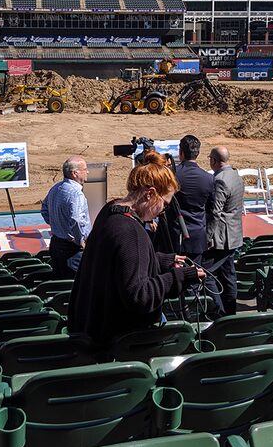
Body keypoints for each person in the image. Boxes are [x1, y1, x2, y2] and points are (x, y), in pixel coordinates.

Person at [68, 157, 204, 345]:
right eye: (164, 204)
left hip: (92, 327)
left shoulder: (110, 210)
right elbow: (139, 296)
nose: (163, 211)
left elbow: (123, 263)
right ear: (150, 194)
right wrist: (179, 277)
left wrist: (162, 261)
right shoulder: (130, 230)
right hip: (119, 343)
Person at [205, 146, 244, 316]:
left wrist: (208, 237)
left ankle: (219, 312)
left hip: (222, 237)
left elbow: (215, 212)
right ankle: (230, 312)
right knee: (228, 276)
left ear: (213, 161)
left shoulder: (219, 180)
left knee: (206, 273)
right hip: (234, 234)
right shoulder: (236, 176)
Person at [41, 156, 91, 278]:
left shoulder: (56, 188)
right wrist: (80, 241)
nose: (88, 172)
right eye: (85, 169)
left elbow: (44, 210)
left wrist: (56, 224)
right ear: (75, 173)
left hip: (56, 245)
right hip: (72, 251)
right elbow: (76, 219)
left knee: (60, 283)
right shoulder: (76, 193)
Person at [171, 135, 214, 261]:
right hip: (197, 236)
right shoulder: (209, 178)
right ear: (198, 153)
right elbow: (211, 209)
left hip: (174, 234)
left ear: (181, 153)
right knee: (195, 275)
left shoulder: (172, 175)